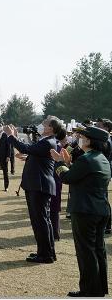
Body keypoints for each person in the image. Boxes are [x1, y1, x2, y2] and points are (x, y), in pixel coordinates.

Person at [52, 126, 111, 297]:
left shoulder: (87, 159)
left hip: (85, 210)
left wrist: (59, 162)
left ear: (89, 140)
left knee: (86, 252)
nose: (79, 139)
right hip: (100, 209)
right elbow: (82, 176)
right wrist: (68, 163)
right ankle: (99, 288)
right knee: (98, 250)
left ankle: (89, 290)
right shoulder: (101, 158)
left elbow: (67, 178)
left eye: (82, 136)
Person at [3, 116, 63, 264]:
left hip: (39, 185)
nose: (41, 125)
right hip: (38, 185)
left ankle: (45, 255)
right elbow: (33, 153)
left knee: (40, 221)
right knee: (42, 221)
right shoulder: (47, 141)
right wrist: (28, 156)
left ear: (50, 128)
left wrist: (11, 136)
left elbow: (26, 148)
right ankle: (46, 252)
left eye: (45, 123)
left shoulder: (48, 141)